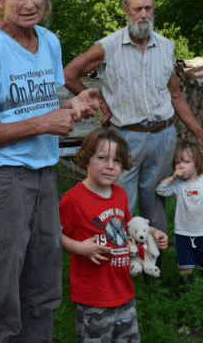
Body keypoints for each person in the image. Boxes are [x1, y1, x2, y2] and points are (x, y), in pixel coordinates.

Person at [0, 0, 101, 343]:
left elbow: (39, 104)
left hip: (43, 178)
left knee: (43, 296)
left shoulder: (50, 42)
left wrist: (72, 104)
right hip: (1, 184)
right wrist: (42, 123)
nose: (29, 4)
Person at [63, 0, 203, 246]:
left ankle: (153, 266)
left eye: (148, 8)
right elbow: (69, 74)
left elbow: (176, 96)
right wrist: (99, 101)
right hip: (124, 138)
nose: (144, 15)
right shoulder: (108, 47)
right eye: (137, 9)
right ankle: (120, 260)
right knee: (118, 200)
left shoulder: (166, 48)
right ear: (126, 10)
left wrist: (200, 133)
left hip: (163, 137)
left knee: (155, 199)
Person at [59, 127, 168, 343]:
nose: (110, 166)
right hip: (93, 298)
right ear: (86, 158)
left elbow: (128, 225)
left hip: (123, 291)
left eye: (117, 161)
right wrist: (80, 248)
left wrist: (151, 232)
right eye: (102, 158)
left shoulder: (119, 194)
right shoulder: (73, 199)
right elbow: (53, 236)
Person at [156, 140, 203, 292]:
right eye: (177, 163)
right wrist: (172, 177)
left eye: (186, 161)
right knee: (185, 267)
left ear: (197, 164)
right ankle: (187, 295)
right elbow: (161, 190)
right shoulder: (177, 184)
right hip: (183, 234)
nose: (181, 166)